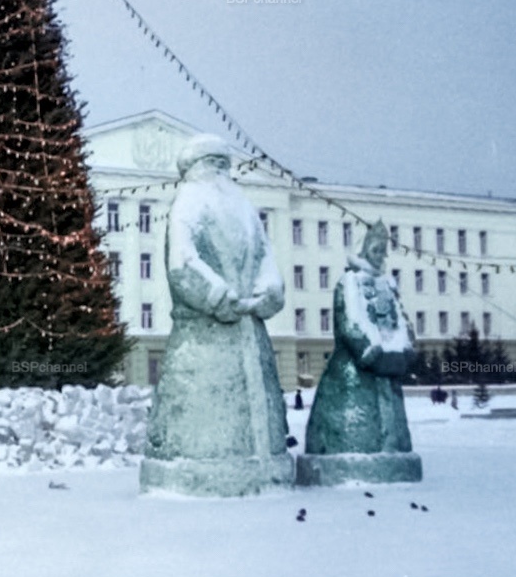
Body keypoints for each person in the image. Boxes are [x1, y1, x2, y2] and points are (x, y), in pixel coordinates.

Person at [141, 134, 293, 496]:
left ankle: (202, 467)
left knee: (199, 428)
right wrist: (260, 296)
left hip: (211, 335)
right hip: (234, 333)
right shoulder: (236, 204)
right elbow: (265, 265)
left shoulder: (193, 199)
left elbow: (183, 264)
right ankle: (260, 464)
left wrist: (225, 298)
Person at [304, 222, 416, 456]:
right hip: (353, 372)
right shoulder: (350, 282)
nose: (379, 256)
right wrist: (367, 348)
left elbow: (401, 319)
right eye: (375, 250)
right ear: (365, 250)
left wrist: (405, 344)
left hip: (387, 367)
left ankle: (392, 447)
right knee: (354, 430)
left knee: (392, 422)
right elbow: (350, 322)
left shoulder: (387, 284)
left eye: (383, 251)